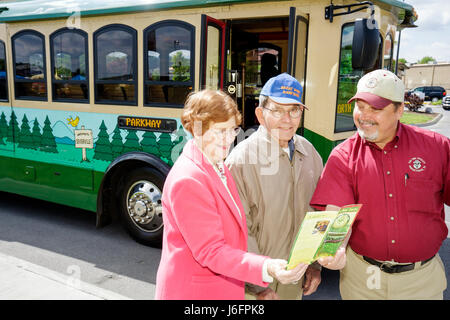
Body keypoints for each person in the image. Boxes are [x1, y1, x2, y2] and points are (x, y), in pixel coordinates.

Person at [155, 89, 308, 300]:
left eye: (233, 130)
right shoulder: (188, 179)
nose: (228, 138)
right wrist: (267, 266)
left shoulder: (216, 163)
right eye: (220, 131)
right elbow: (211, 251)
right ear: (197, 128)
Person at [310, 69, 449, 300]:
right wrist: (334, 249)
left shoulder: (437, 147)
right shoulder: (342, 155)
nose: (364, 116)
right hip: (362, 282)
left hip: (422, 282)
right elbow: (337, 216)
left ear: (400, 109)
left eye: (375, 108)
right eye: (360, 106)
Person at [226, 73, 327, 300]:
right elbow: (238, 229)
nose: (287, 119)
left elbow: (317, 215)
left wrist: (314, 265)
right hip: (255, 286)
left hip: (295, 279)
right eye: (277, 110)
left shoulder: (309, 153)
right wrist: (258, 285)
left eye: (294, 111)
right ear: (261, 114)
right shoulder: (242, 160)